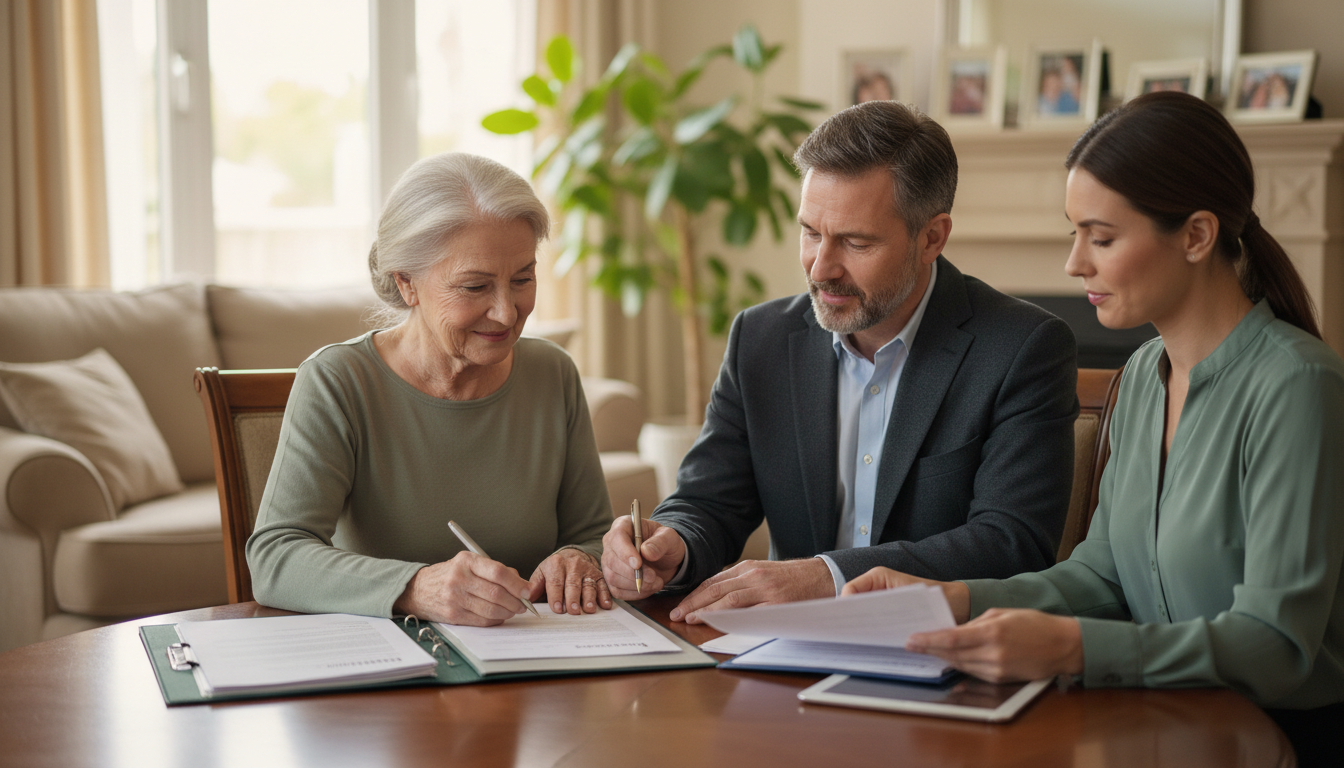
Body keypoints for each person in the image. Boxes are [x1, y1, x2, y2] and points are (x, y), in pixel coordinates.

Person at [844, 91, 1344, 766]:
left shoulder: (1296, 386)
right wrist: (951, 599)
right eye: (1075, 232)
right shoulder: (1141, 375)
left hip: (1277, 740)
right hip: (1160, 726)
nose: (1074, 263)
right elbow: (1103, 576)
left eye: (1101, 237)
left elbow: (1275, 646)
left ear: (1197, 235)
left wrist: (1076, 649)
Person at [601, 100, 1079, 623]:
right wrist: (674, 543)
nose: (821, 267)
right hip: (781, 655)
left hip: (941, 648)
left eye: (855, 241)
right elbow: (709, 502)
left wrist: (828, 576)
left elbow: (1011, 542)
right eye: (810, 232)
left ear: (932, 237)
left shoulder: (1021, 348)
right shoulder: (760, 338)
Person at [248, 153, 613, 626]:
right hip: (386, 672)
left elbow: (593, 535)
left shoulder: (553, 373)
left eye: (522, 278)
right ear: (407, 284)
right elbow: (276, 558)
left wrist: (579, 559)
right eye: (475, 286)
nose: (507, 312)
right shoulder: (337, 382)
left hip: (529, 664)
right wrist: (417, 588)